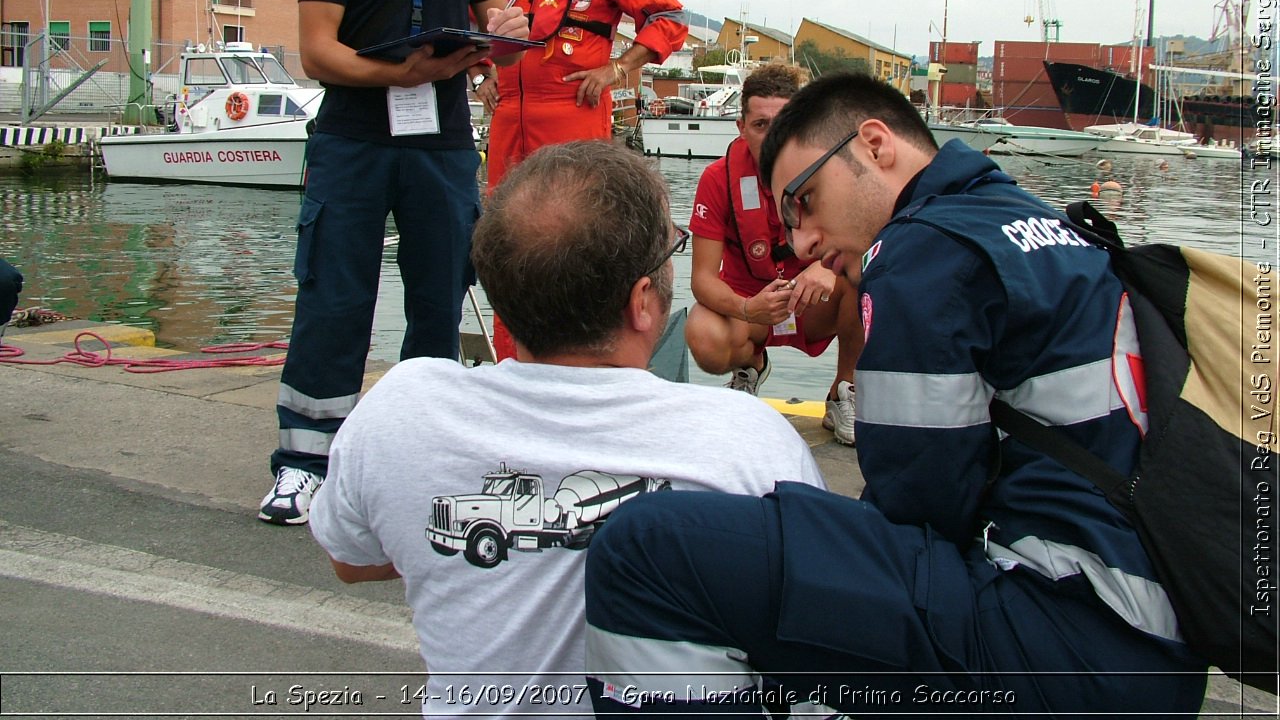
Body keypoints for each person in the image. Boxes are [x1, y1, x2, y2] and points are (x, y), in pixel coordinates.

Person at [581, 72, 1207, 716]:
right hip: (1152, 639)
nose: (801, 241)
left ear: (875, 145)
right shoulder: (1034, 219)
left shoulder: (921, 252)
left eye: (806, 199)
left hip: (1063, 640)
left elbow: (919, 508)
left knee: (648, 548)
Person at [308, 139, 824, 714]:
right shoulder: (749, 443)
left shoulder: (401, 411)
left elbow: (350, 559)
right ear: (642, 301)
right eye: (671, 252)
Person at [261, 0, 530, 525]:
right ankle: (305, 461)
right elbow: (317, 53)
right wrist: (397, 72)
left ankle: (424, 456)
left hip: (440, 143)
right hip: (352, 138)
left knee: (440, 296)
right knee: (335, 295)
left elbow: (494, 42)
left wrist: (502, 38)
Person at [481, 0, 688, 361]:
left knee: (580, 245)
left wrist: (618, 68)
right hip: (509, 121)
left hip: (574, 116)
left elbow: (669, 17)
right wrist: (479, 71)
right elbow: (466, 20)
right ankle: (513, 366)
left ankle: (585, 366)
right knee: (508, 244)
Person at [684, 63, 862, 442]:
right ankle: (750, 366)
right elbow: (700, 279)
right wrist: (748, 308)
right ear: (741, 128)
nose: (772, 136)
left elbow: (873, 247)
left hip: (815, 304)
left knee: (871, 284)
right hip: (751, 309)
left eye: (782, 123)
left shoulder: (833, 175)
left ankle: (844, 389)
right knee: (702, 333)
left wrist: (829, 268)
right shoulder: (717, 180)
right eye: (760, 125)